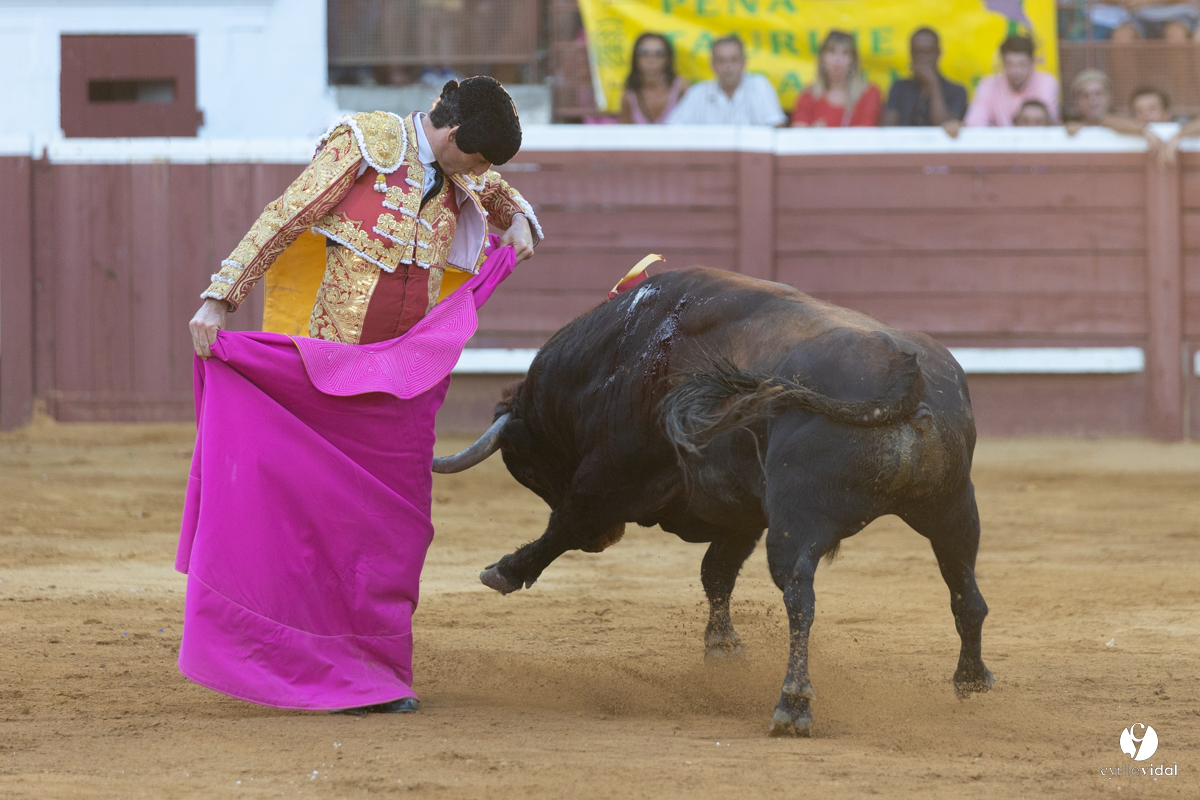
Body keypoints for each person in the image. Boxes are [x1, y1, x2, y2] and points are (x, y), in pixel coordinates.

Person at [182, 77, 542, 715]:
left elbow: (499, 194)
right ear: (453, 134)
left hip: (402, 385)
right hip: (333, 375)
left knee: (394, 533)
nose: (479, 174)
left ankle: (376, 668)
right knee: (317, 527)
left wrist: (517, 219)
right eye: (477, 158)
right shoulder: (367, 143)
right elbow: (287, 214)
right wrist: (221, 296)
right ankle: (302, 655)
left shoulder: (463, 171)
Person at [667, 36, 786, 126]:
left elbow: (777, 127)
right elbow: (673, 129)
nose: (728, 67)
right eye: (721, 61)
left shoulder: (759, 85)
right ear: (712, 64)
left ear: (744, 62)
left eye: (734, 60)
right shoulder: (698, 93)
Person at [881, 27, 968, 136]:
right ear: (911, 54)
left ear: (938, 53)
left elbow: (946, 130)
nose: (922, 58)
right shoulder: (899, 88)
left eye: (928, 52)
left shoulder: (957, 92)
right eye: (917, 52)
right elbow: (887, 129)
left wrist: (933, 84)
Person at [963, 35, 1059, 126]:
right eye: (1010, 64)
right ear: (1002, 63)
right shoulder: (988, 84)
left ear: (1032, 63)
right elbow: (974, 123)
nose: (1016, 71)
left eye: (1022, 64)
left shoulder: (1046, 82)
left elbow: (1048, 123)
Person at [791, 30, 882, 127]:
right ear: (822, 58)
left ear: (853, 61)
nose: (837, 59)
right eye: (831, 52)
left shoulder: (869, 93)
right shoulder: (808, 95)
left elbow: (866, 132)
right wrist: (814, 132)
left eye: (845, 53)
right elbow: (799, 131)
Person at [619, 33, 688, 124]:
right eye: (643, 52)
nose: (651, 59)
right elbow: (625, 130)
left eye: (659, 53)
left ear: (668, 58)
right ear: (635, 58)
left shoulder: (681, 88)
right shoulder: (629, 96)